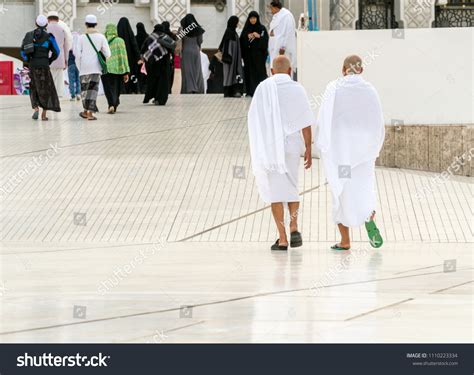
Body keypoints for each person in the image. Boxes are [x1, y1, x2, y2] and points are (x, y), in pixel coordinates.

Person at [316, 55, 385, 251]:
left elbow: (323, 120)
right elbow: (377, 122)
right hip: (364, 155)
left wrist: (322, 146)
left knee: (341, 192)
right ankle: (368, 214)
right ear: (361, 70)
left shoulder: (333, 88)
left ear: (343, 69)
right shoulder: (370, 90)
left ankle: (345, 241)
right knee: (364, 188)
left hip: (341, 155)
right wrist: (374, 148)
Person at [247, 56, 314, 251]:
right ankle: (294, 225)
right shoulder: (298, 89)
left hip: (271, 148)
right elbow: (306, 121)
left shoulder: (263, 88)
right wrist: (308, 148)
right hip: (293, 146)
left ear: (272, 71)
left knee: (275, 193)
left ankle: (283, 238)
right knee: (292, 187)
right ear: (290, 70)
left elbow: (254, 119)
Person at [21, 14, 61, 120]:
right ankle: (44, 114)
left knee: (34, 87)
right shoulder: (49, 37)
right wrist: (50, 60)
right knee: (45, 88)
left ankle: (36, 109)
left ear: (36, 23)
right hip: (44, 65)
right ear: (46, 24)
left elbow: (22, 51)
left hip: (33, 65)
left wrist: (28, 60)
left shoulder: (28, 35)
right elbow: (57, 51)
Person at [75, 14, 111, 120]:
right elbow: (108, 53)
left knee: (84, 91)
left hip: (84, 68)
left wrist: (79, 67)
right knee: (92, 90)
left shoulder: (81, 37)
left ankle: (86, 111)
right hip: (95, 68)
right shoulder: (101, 37)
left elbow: (77, 54)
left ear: (86, 24)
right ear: (96, 24)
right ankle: (90, 113)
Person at [141, 24, 176, 106]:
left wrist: (145, 58)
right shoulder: (165, 36)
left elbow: (143, 49)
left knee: (154, 80)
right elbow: (172, 48)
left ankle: (155, 97)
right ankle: (161, 99)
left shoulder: (150, 37)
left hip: (153, 63)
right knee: (163, 81)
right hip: (165, 62)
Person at [102, 23, 130, 114]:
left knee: (108, 88)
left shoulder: (103, 40)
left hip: (106, 68)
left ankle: (111, 104)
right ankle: (115, 103)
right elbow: (123, 56)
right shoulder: (120, 41)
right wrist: (126, 71)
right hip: (118, 68)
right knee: (117, 87)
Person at [240, 11, 268, 97]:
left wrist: (259, 36)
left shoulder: (262, 28)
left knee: (259, 73)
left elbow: (266, 40)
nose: (253, 20)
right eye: (251, 18)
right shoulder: (246, 29)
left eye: (254, 18)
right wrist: (246, 37)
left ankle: (260, 92)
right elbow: (241, 40)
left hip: (259, 57)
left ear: (257, 18)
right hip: (248, 57)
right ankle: (249, 92)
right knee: (249, 73)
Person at [179, 14, 205, 94]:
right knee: (197, 70)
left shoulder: (182, 29)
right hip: (195, 51)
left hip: (186, 51)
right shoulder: (197, 28)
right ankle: (197, 88)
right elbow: (200, 41)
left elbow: (179, 40)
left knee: (187, 70)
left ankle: (189, 89)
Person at [47, 11, 71, 97]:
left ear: (48, 19)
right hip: (60, 58)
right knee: (60, 79)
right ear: (57, 19)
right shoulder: (62, 29)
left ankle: (49, 95)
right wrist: (66, 60)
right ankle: (59, 95)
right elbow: (66, 46)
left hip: (47, 58)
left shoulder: (45, 29)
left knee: (49, 77)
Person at [219, 15, 244, 98]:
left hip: (233, 59)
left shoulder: (232, 32)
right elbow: (227, 47)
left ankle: (233, 91)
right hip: (230, 60)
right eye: (237, 22)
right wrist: (230, 57)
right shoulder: (230, 33)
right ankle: (228, 92)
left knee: (233, 74)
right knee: (229, 74)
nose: (237, 24)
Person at [268, 0, 297, 71]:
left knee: (284, 68)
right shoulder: (277, 16)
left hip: (283, 49)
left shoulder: (286, 16)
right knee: (275, 68)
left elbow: (288, 33)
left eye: (271, 8)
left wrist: (283, 47)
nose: (271, 10)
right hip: (275, 46)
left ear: (276, 8)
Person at [117, 17, 141, 93]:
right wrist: (138, 58)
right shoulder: (130, 34)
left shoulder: (117, 35)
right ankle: (130, 88)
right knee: (130, 73)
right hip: (130, 58)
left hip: (119, 59)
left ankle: (122, 89)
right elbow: (135, 46)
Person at [162, 21, 177, 93]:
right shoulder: (172, 35)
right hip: (170, 59)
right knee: (170, 76)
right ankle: (169, 90)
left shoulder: (160, 35)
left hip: (161, 58)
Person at [135, 22, 148, 94]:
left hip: (138, 60)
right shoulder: (148, 37)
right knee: (146, 75)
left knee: (139, 75)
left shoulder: (135, 38)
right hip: (147, 59)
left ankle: (139, 89)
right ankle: (145, 89)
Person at [67, 32, 81, 101]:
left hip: (71, 64)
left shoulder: (70, 48)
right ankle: (78, 93)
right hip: (78, 65)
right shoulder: (79, 49)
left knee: (71, 80)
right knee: (78, 79)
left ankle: (73, 95)